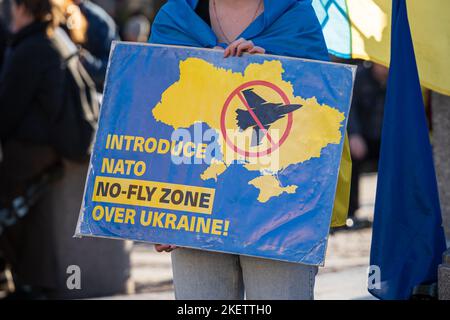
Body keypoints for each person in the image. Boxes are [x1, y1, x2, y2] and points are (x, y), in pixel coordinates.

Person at [149, 0, 349, 300]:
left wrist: (274, 69)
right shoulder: (175, 17)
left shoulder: (295, 14)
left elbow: (322, 111)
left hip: (279, 214)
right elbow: (149, 115)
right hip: (196, 210)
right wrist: (150, 214)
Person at [347, 61, 388, 229]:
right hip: (363, 137)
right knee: (350, 161)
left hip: (388, 139)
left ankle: (392, 212)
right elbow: (351, 107)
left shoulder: (400, 78)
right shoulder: (360, 76)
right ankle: (350, 213)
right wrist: (354, 135)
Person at [71, 0, 119, 91]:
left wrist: (86, 61)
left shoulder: (100, 21)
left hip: (89, 95)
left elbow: (113, 68)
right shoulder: (53, 14)